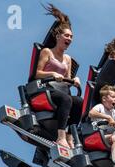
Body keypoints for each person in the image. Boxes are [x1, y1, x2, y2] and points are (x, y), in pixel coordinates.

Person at [35, 4, 82, 149]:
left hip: (60, 90)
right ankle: (60, 137)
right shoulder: (47, 52)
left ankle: (69, 137)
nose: (70, 38)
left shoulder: (68, 59)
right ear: (58, 36)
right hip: (45, 89)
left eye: (71, 37)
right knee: (66, 99)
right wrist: (53, 74)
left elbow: (66, 84)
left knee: (79, 101)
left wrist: (74, 81)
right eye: (67, 35)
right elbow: (37, 74)